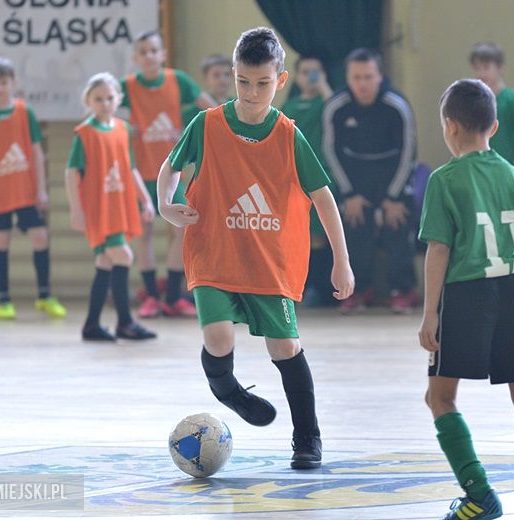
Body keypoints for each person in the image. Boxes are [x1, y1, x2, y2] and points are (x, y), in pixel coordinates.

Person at [157, 27, 354, 469]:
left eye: (262, 83)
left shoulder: (288, 135)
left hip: (268, 264)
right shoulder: (206, 125)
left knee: (284, 349)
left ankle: (307, 437)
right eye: (243, 82)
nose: (251, 92)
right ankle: (228, 390)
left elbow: (323, 196)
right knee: (218, 335)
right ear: (233, 75)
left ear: (280, 81)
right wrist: (165, 205)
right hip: (214, 254)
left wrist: (341, 260)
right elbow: (170, 168)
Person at [418, 79, 514, 520]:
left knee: (440, 397)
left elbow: (439, 250)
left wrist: (429, 316)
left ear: (450, 126)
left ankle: (479, 494)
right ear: (495, 126)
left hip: (467, 294)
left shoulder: (445, 179)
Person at [121, 30, 216, 319]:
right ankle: (151, 296)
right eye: (143, 51)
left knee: (181, 230)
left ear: (162, 55)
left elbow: (210, 108)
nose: (149, 56)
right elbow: (110, 117)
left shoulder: (178, 81)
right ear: (136, 58)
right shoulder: (126, 87)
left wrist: (192, 133)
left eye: (154, 50)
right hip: (140, 172)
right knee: (144, 233)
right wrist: (123, 122)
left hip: (171, 172)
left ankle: (173, 296)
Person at [0, 56, 67, 320]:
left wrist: (41, 188)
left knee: (40, 237)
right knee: (1, 241)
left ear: (13, 83)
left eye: (4, 81)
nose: (0, 87)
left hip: (25, 190)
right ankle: (4, 299)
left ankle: (44, 295)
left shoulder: (25, 112)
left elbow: (36, 152)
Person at [323, 48, 417, 314]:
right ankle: (359, 289)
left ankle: (404, 289)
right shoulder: (336, 106)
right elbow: (330, 152)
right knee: (353, 229)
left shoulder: (397, 105)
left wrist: (394, 197)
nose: (362, 83)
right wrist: (348, 193)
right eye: (356, 77)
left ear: (380, 77)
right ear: (348, 78)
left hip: (393, 176)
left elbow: (409, 152)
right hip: (355, 178)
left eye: (368, 77)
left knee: (397, 226)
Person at [65, 72, 157, 342]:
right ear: (88, 101)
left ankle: (91, 325)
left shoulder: (122, 129)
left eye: (109, 97)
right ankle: (125, 323)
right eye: (98, 99)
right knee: (124, 256)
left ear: (118, 99)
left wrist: (146, 199)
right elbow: (72, 172)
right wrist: (76, 209)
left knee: (105, 261)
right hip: (98, 207)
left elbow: (129, 169)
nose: (105, 103)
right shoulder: (84, 133)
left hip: (119, 203)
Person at [281, 56, 336, 306]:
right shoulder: (290, 106)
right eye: (305, 72)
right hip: (295, 177)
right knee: (301, 233)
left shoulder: (327, 102)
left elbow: (334, 112)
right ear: (296, 76)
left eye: (316, 71)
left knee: (323, 232)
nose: (310, 76)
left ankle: (326, 289)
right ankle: (306, 286)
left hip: (323, 172)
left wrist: (324, 86)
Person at [470, 42, 514, 172]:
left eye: (486, 67)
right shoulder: (473, 102)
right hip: (483, 172)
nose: (481, 73)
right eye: (477, 68)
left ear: (500, 68)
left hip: (508, 171)